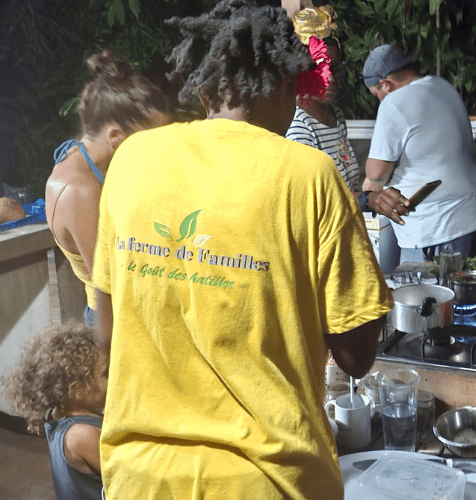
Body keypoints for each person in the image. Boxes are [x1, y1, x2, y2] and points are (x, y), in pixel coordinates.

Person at [91, 2, 393, 499]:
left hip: (138, 476)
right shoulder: (310, 176)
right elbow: (356, 356)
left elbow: (107, 330)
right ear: (284, 86)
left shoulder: (132, 160)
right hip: (268, 478)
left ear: (204, 85)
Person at [44, 50, 171, 326]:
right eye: (152, 139)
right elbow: (111, 291)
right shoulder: (80, 190)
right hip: (112, 324)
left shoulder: (86, 162)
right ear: (115, 136)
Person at [361, 44, 476, 263]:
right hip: (470, 214)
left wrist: (365, 196)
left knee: (429, 296)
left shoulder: (394, 102)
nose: (379, 101)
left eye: (377, 94)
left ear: (386, 85)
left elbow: (376, 175)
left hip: (433, 230)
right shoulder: (442, 86)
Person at [2, 320, 106, 500]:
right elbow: (122, 479)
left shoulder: (57, 413)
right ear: (77, 390)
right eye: (106, 373)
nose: (112, 379)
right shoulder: (81, 436)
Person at [285, 5, 361, 193]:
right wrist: (366, 200)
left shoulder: (336, 116)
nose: (331, 78)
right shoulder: (298, 126)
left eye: (335, 68)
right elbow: (314, 198)